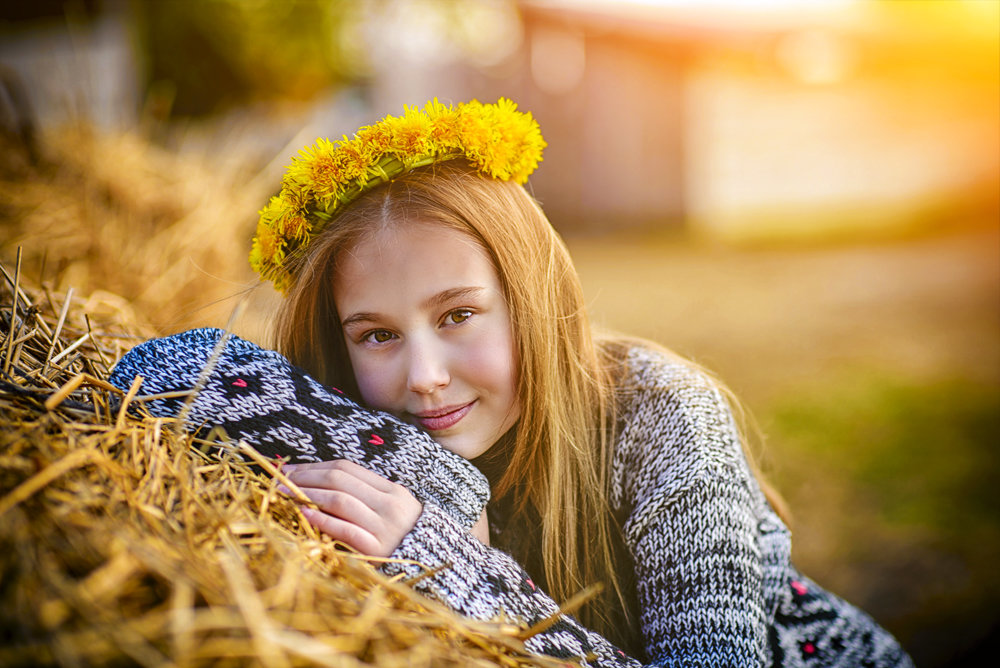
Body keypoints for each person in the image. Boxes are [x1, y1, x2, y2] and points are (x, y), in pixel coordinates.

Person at [112, 99, 913, 666]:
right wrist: (440, 484)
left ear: (532, 302)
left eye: (459, 315)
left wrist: (452, 567)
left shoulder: (663, 421)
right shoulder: (380, 420)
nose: (424, 379)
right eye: (378, 335)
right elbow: (155, 369)